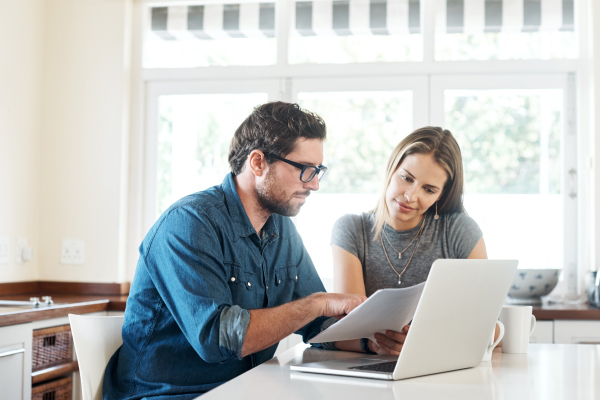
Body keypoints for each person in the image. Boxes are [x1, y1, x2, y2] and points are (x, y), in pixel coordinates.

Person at [103, 102, 365, 400]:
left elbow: (318, 324)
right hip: (171, 395)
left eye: (318, 170)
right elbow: (218, 338)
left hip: (246, 389)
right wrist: (317, 303)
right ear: (257, 163)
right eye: (305, 169)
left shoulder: (282, 229)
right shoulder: (189, 223)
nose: (315, 184)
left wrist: (373, 342)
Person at [328, 127, 487, 356]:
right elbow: (350, 327)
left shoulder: (459, 231)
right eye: (406, 178)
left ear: (440, 195)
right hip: (371, 370)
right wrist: (378, 344)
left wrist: (427, 342)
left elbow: (488, 324)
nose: (411, 196)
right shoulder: (352, 230)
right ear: (391, 168)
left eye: (429, 189)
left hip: (440, 365)